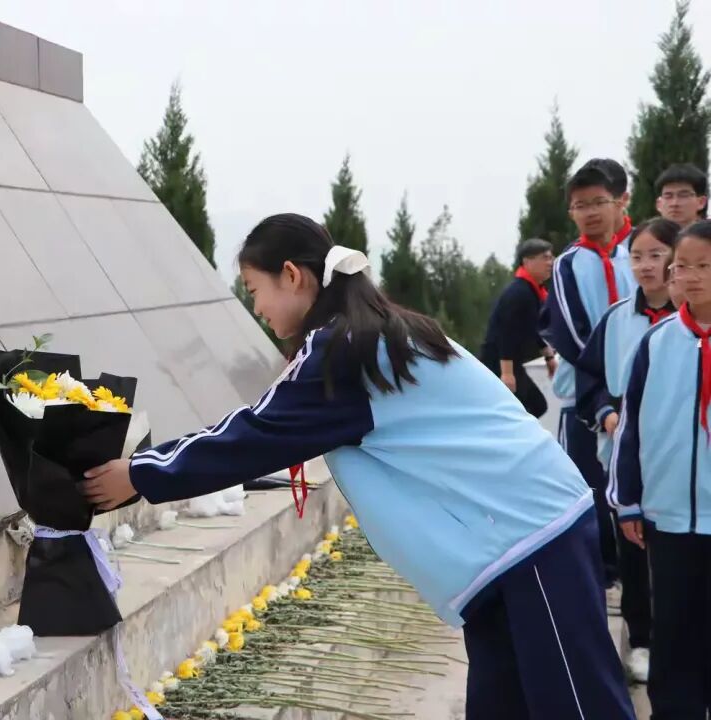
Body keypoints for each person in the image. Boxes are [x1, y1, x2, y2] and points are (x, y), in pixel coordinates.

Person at [84, 214, 635, 720]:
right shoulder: (369, 331)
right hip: (511, 542)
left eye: (255, 290)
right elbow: (261, 424)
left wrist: (138, 472)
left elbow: (250, 436)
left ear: (292, 276)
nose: (256, 308)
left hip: (529, 536)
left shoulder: (349, 351)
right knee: (502, 703)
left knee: (576, 704)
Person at [611, 219, 711, 718]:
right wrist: (628, 498)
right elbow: (630, 426)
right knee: (673, 627)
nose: (691, 277)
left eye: (704, 266)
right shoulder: (655, 342)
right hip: (667, 516)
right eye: (683, 266)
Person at [575, 218, 680, 683]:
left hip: (686, 460)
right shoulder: (617, 319)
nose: (645, 265)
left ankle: (682, 642)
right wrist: (608, 416)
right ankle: (641, 641)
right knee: (634, 549)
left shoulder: (693, 322)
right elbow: (589, 381)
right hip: (628, 456)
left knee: (686, 556)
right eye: (636, 256)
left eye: (656, 255)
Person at [540, 158, 637, 587]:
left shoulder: (642, 254)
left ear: (623, 201)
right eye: (581, 205)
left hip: (641, 395)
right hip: (585, 399)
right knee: (585, 491)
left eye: (600, 201)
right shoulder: (568, 264)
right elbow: (572, 334)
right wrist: (605, 383)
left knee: (636, 489)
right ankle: (597, 575)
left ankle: (637, 581)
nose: (591, 211)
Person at [479, 238, 557, 417]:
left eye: (551, 258)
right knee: (528, 408)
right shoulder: (519, 293)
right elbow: (506, 333)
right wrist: (507, 374)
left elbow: (532, 328)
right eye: (545, 258)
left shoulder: (532, 291)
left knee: (533, 407)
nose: (550, 263)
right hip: (498, 364)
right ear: (527, 261)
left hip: (512, 364)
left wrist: (548, 356)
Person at [655, 163, 708, 227]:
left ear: (701, 202)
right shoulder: (644, 236)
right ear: (659, 204)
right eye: (668, 196)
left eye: (683, 195)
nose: (674, 203)